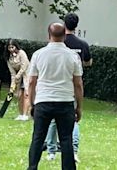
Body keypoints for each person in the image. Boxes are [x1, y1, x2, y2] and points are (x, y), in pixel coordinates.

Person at [27, 22, 84, 170]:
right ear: (64, 36)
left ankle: (32, 167)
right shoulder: (72, 56)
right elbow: (78, 84)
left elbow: (32, 81)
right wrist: (79, 106)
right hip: (65, 101)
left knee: (38, 138)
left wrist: (31, 103)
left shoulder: (38, 55)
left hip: (43, 100)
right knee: (66, 139)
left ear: (48, 35)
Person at [45, 13, 93, 163]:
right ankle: (74, 149)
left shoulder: (57, 41)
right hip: (74, 85)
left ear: (64, 24)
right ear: (76, 25)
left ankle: (51, 150)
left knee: (53, 120)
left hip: (58, 83)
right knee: (73, 120)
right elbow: (88, 62)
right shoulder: (82, 44)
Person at [3, 39, 30, 120]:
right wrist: (13, 85)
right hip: (18, 76)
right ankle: (21, 114)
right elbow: (12, 73)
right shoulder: (8, 57)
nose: (11, 49)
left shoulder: (22, 53)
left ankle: (25, 115)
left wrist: (18, 75)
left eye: (12, 47)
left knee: (26, 94)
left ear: (16, 46)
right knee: (19, 95)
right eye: (9, 48)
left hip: (27, 74)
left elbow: (24, 67)